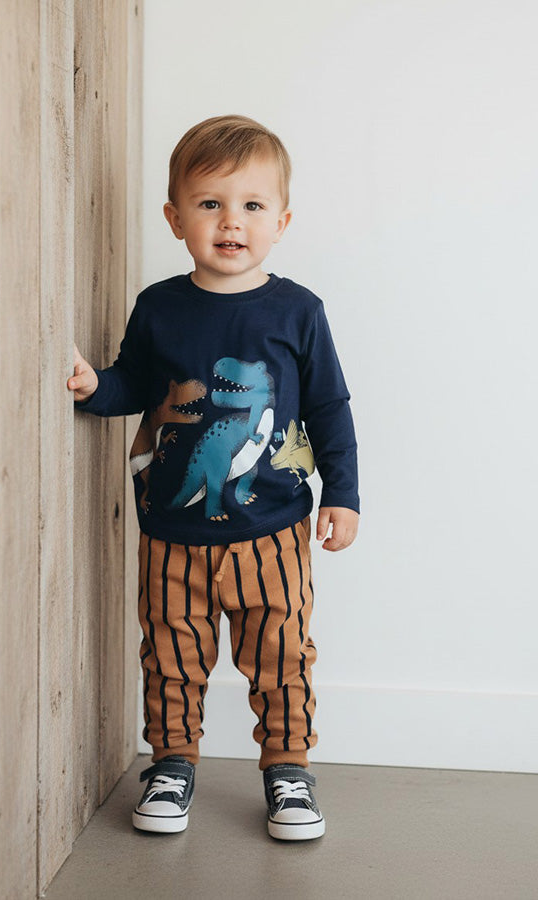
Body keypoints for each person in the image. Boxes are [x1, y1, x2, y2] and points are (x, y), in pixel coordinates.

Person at [67, 114, 360, 841]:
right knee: (171, 653)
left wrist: (344, 495)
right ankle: (172, 763)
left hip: (274, 532)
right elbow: (135, 383)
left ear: (280, 222)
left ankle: (288, 769)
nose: (232, 222)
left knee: (282, 653)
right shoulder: (159, 307)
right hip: (171, 531)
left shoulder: (298, 311)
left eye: (252, 205)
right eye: (210, 203)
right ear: (176, 219)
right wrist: (93, 385)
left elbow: (329, 405)